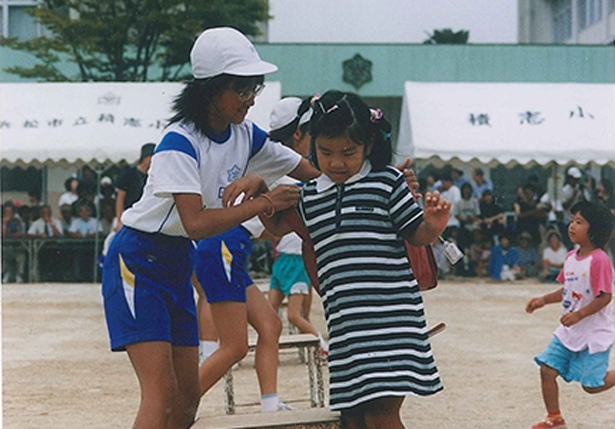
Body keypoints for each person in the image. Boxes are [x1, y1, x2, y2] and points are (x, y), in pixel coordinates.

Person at [101, 27, 320, 429]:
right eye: (241, 88)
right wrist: (266, 200)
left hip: (178, 260)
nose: (251, 97)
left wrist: (372, 175)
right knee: (161, 393)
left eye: (255, 86)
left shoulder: (245, 135)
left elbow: (311, 171)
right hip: (137, 262)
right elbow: (197, 222)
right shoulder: (178, 143)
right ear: (209, 90)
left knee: (187, 397)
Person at [260, 90, 448, 429]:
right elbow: (274, 225)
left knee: (380, 416)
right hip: (346, 329)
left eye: (349, 152)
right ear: (312, 145)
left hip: (391, 322)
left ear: (369, 144)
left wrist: (432, 227)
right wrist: (260, 189)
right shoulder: (309, 196)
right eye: (325, 152)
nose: (336, 162)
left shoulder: (387, 182)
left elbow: (415, 233)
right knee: (354, 419)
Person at [525, 201, 615, 429]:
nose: (571, 226)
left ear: (595, 229)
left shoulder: (599, 260)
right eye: (572, 220)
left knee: (592, 386)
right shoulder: (571, 258)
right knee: (547, 369)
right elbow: (566, 289)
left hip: (594, 332)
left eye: (579, 222)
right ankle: (554, 418)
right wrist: (543, 300)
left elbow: (605, 297)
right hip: (570, 331)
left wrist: (579, 315)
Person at [266, 97, 326, 347]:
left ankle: (318, 344)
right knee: (286, 315)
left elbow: (275, 228)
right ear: (299, 133)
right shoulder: (290, 172)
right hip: (291, 255)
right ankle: (320, 345)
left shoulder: (268, 164)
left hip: (290, 255)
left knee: (283, 316)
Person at [114, 143, 155, 232]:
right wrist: (119, 220)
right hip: (128, 215)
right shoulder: (129, 174)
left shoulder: (154, 176)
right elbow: (120, 198)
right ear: (145, 157)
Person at [2, 202, 26, 283]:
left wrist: (9, 235)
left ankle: (19, 275)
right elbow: (2, 234)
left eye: (10, 211)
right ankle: (6, 274)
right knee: (4, 254)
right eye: (6, 212)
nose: (8, 213)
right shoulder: (2, 221)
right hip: (5, 246)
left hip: (17, 246)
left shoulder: (18, 221)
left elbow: (20, 233)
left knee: (20, 256)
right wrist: (4, 223)